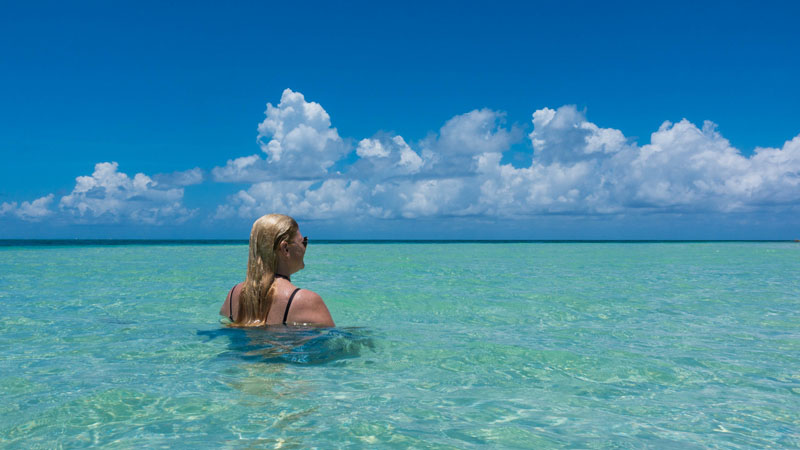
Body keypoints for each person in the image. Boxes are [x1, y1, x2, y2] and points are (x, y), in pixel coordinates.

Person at [219, 214, 334, 327]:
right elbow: (335, 343)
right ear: (285, 249)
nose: (305, 248)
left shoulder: (233, 294)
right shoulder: (306, 300)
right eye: (303, 242)